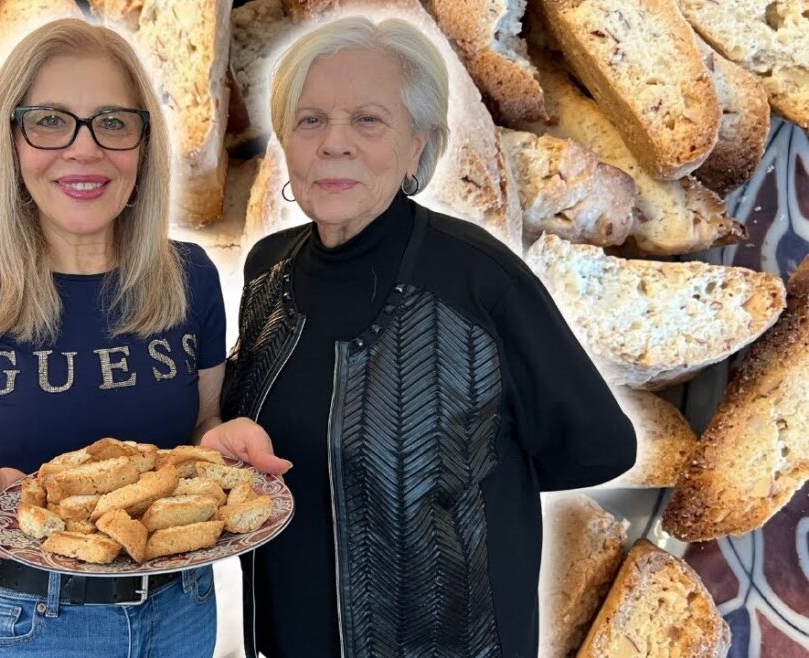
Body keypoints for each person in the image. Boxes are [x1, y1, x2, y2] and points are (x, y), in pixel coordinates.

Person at [201, 15, 638, 657]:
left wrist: (466, 490)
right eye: (310, 120)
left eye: (369, 120)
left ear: (417, 146)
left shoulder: (478, 277)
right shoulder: (268, 269)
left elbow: (599, 445)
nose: (334, 144)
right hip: (287, 639)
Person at [0, 17, 224, 657]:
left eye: (113, 122)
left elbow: (202, 434)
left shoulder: (191, 278)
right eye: (49, 120)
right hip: (28, 621)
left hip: (181, 606)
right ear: (11, 139)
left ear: (143, 143)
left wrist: (227, 443)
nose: (84, 150)